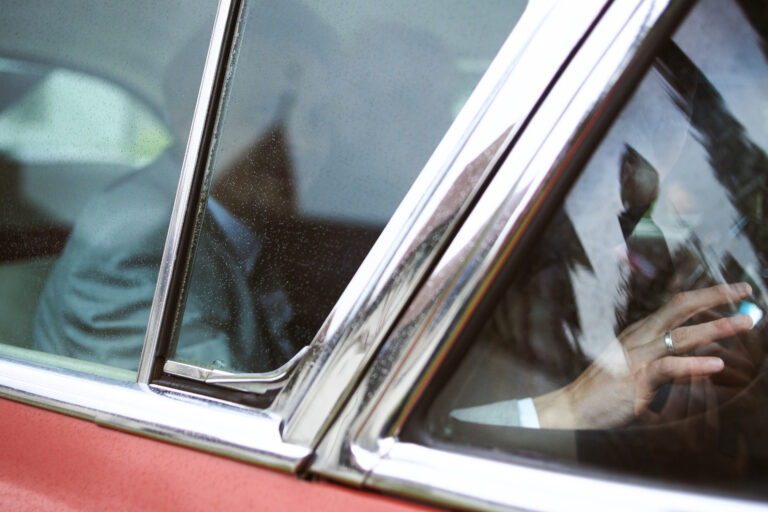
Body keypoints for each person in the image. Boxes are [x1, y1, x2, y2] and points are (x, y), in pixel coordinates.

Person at [33, 1, 336, 373]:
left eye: (318, 118)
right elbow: (220, 409)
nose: (301, 142)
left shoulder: (257, 226)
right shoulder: (134, 243)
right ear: (191, 124)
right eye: (267, 112)